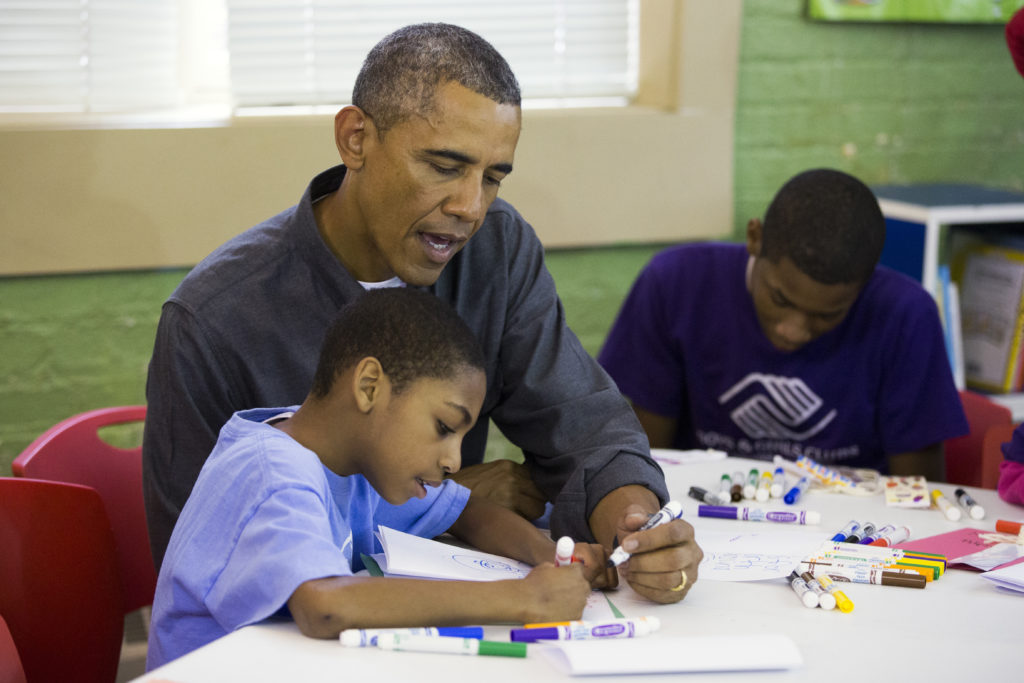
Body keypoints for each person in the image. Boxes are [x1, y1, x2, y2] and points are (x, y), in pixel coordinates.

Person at [143, 22, 700, 604]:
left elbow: (582, 421)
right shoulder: (213, 318)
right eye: (442, 166)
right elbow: (195, 560)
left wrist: (637, 524)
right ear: (355, 138)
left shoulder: (497, 252)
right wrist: (457, 500)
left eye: (492, 178)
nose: (470, 207)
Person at [146, 288, 616, 669]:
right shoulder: (274, 473)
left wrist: (549, 557)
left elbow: (469, 510)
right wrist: (523, 598)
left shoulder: (355, 463)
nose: (454, 460)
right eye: (443, 428)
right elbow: (326, 605)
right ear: (370, 387)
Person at [598, 168, 967, 479]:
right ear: (755, 238)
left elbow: (919, 494)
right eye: (780, 299)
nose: (792, 330)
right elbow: (648, 463)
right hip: (707, 515)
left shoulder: (905, 315)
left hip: (851, 540)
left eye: (827, 315)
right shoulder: (675, 284)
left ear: (866, 283)